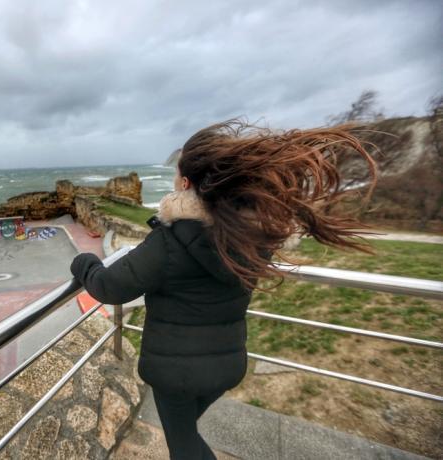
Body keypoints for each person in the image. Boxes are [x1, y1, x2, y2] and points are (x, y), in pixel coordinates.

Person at [70, 120, 377, 460]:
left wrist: (83, 262)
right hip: (226, 367)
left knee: (184, 443)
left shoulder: (169, 241)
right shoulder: (252, 236)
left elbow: (109, 287)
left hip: (176, 374)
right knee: (185, 430)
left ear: (185, 183)